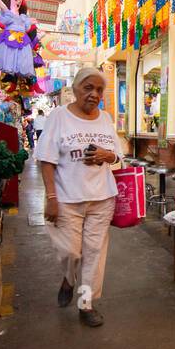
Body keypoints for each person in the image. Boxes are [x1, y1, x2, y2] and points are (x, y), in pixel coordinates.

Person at [35, 69, 123, 327]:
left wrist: (107, 155)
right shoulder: (58, 117)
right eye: (88, 88)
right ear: (74, 89)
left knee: (94, 254)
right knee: (70, 251)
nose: (94, 94)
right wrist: (51, 197)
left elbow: (118, 156)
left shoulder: (106, 118)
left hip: (102, 197)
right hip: (66, 198)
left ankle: (86, 304)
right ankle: (69, 278)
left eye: (98, 89)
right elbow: (46, 160)